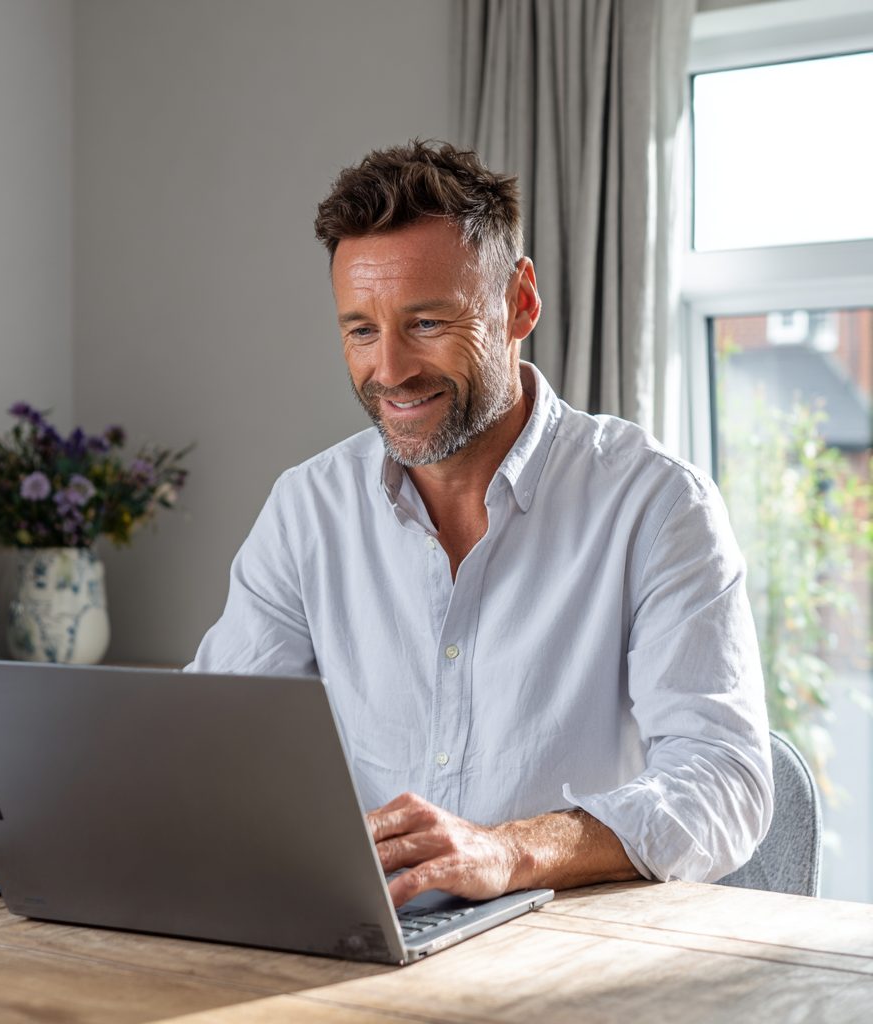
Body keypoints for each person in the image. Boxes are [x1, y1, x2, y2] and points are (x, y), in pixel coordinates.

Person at [186, 140, 773, 908]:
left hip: (566, 957)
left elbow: (723, 782)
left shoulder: (657, 505)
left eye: (426, 322)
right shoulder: (307, 509)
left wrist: (509, 851)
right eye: (361, 330)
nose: (389, 370)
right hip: (358, 949)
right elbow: (209, 745)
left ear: (519, 302)